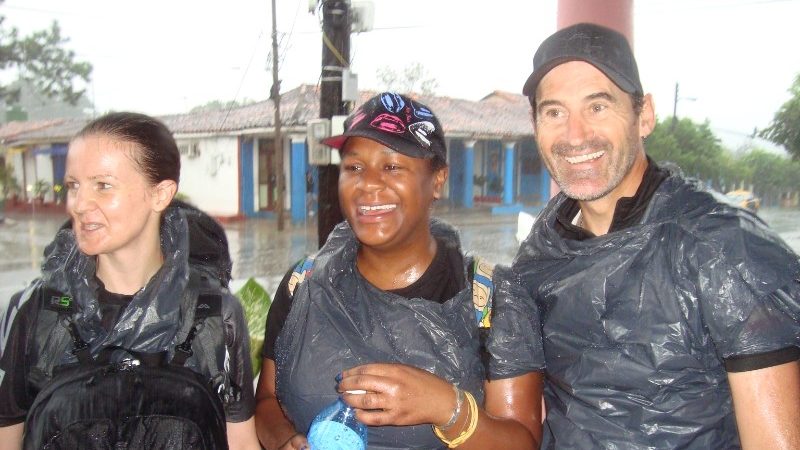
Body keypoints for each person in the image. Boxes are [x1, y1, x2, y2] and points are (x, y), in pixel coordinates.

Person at [512, 22, 800, 448]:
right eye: (554, 112)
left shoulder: (722, 249)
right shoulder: (539, 254)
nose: (575, 135)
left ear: (643, 115)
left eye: (598, 107)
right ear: (536, 125)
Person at [254, 92, 545, 450]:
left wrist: (446, 407)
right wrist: (286, 441)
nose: (368, 184)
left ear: (438, 180)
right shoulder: (304, 284)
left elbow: (521, 441)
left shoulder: (492, 300)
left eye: (391, 167)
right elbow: (267, 400)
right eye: (354, 167)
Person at [0, 112, 260, 449]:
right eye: (74, 186)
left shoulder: (212, 314)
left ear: (160, 194)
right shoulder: (39, 311)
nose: (79, 204)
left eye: (103, 185)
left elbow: (241, 444)